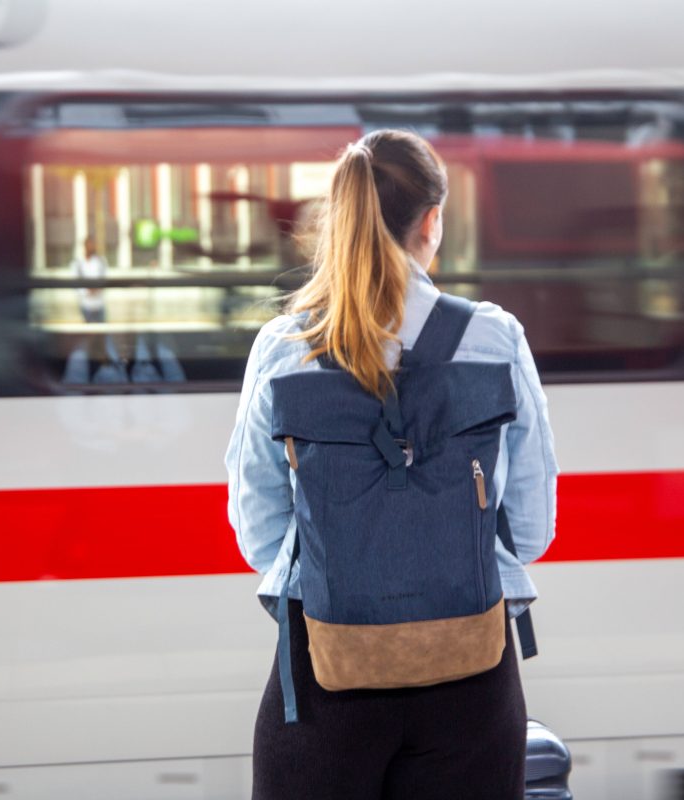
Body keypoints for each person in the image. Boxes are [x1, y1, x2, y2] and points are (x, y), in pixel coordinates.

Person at [224, 129, 558, 800]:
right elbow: (530, 527)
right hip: (470, 684)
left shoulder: (284, 347)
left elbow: (258, 530)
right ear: (431, 222)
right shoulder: (494, 337)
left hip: (324, 680)